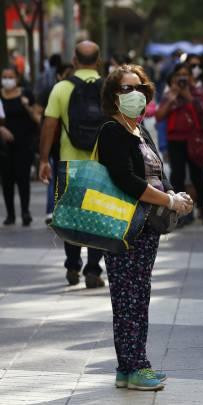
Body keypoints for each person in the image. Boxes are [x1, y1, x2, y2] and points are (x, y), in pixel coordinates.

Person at [96, 64, 193, 391]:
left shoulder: (139, 129)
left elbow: (155, 173)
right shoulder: (112, 130)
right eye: (125, 88)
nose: (133, 93)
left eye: (137, 87)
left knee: (138, 296)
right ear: (113, 95)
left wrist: (173, 194)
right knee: (128, 299)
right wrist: (166, 201)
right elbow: (127, 180)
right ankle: (135, 366)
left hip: (145, 226)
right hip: (124, 225)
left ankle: (130, 366)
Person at [38, 41, 107, 289]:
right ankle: (93, 269)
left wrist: (44, 159)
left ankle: (72, 265)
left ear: (74, 61)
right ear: (98, 62)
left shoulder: (61, 88)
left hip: (70, 163)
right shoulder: (108, 89)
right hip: (102, 163)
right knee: (99, 216)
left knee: (70, 215)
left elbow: (49, 126)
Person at [155, 62, 203, 225]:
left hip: (195, 140)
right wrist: (171, 97)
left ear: (190, 76)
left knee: (198, 175)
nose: (182, 78)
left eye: (185, 74)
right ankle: (182, 211)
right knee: (177, 176)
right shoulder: (170, 93)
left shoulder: (198, 91)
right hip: (176, 141)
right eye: (178, 75)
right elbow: (159, 116)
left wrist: (188, 96)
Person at [0, 66, 41, 226]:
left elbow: (37, 118)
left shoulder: (26, 94)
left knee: (23, 179)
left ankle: (25, 211)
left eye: (10, 77)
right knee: (7, 180)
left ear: (17, 78)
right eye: (4, 76)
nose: (7, 80)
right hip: (3, 146)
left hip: (24, 143)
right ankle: (10, 214)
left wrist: (27, 106)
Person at [39, 63, 74, 225]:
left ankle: (54, 210)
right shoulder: (89, 89)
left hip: (60, 145)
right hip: (74, 147)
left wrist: (43, 158)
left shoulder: (56, 90)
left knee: (56, 179)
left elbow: (48, 123)